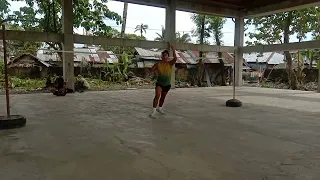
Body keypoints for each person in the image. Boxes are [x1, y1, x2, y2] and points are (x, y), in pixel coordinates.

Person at [149, 42, 177, 117]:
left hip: (167, 84)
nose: (164, 56)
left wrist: (173, 49)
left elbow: (175, 58)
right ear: (161, 56)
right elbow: (151, 70)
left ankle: (160, 108)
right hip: (159, 83)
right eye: (163, 55)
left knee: (163, 97)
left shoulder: (170, 63)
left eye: (166, 55)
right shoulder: (158, 64)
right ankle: (153, 112)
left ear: (168, 56)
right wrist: (150, 71)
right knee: (157, 95)